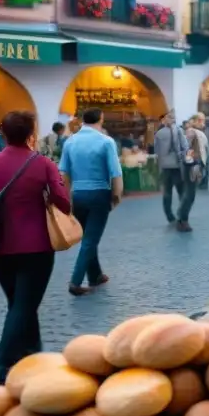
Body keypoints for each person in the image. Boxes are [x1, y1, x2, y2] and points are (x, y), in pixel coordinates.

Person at [0, 111, 71, 383]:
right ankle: (0, 367)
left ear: (3, 133)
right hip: (36, 246)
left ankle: (33, 353)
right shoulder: (42, 163)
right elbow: (63, 203)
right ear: (31, 134)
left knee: (19, 303)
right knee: (23, 305)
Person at [59, 108, 123, 296]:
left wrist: (66, 197)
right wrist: (117, 195)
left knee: (88, 235)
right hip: (99, 193)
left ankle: (95, 275)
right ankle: (76, 281)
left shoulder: (70, 141)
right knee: (90, 239)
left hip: (78, 193)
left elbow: (63, 173)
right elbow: (115, 173)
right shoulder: (106, 141)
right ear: (101, 119)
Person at [176, 113, 209, 232]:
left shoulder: (196, 132)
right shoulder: (192, 131)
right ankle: (182, 219)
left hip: (194, 164)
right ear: (195, 120)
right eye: (201, 120)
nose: (203, 122)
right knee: (190, 194)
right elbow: (187, 148)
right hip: (192, 165)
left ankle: (181, 217)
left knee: (190, 193)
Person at [154, 111, 188, 225]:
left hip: (165, 166)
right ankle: (182, 214)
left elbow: (156, 151)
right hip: (177, 166)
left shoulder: (159, 133)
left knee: (167, 193)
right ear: (174, 120)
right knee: (181, 191)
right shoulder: (179, 131)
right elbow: (185, 147)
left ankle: (169, 216)